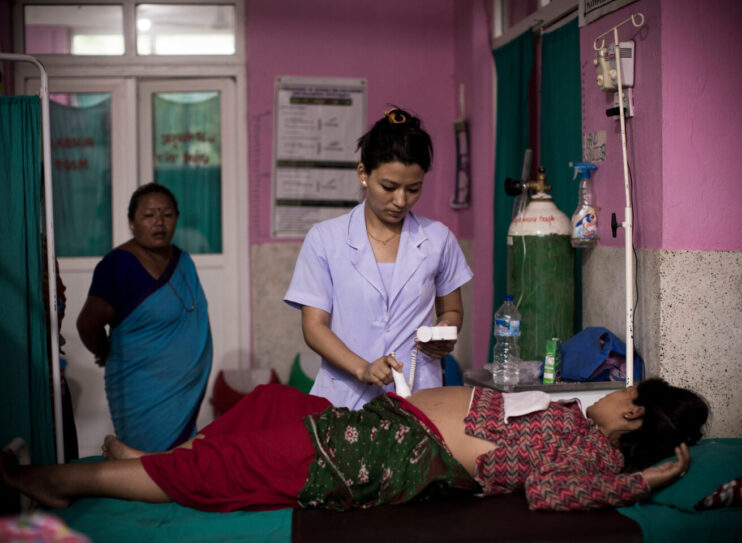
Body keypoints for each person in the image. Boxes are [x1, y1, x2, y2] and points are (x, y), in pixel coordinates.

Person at [1, 378, 709, 513]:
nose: (611, 391)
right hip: (391, 420)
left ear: (637, 413)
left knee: (233, 467)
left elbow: (552, 494)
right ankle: (147, 459)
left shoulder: (594, 456)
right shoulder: (579, 423)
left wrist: (642, 482)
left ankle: (69, 479)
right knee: (275, 402)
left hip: (395, 455)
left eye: (625, 391)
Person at [284, 107, 472, 409]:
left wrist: (444, 333)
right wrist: (363, 368)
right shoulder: (325, 239)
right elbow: (314, 327)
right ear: (363, 174)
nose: (400, 200)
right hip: (343, 395)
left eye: (413, 189)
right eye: (389, 187)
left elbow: (452, 310)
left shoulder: (438, 239)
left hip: (418, 392)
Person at [76, 183, 212, 452]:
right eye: (148, 215)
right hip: (142, 394)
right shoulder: (117, 265)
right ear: (131, 222)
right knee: (145, 468)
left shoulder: (183, 261)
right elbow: (87, 323)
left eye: (167, 214)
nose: (159, 223)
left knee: (178, 467)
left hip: (182, 395)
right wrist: (105, 351)